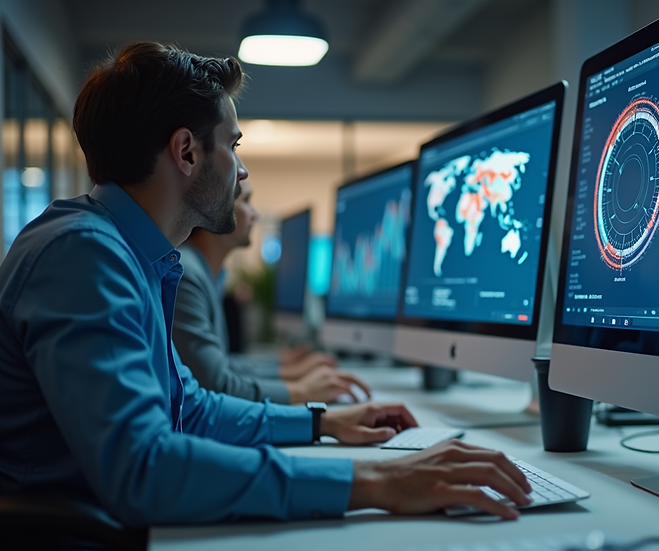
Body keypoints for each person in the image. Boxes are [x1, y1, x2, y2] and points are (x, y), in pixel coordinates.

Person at [0, 42, 531, 526]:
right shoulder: (83, 255)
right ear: (186, 152)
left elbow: (191, 409)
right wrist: (378, 480)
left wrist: (323, 424)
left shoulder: (129, 254)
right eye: (233, 144)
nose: (244, 172)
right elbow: (144, 468)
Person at [174, 177, 371, 404]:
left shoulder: (203, 273)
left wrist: (285, 368)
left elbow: (221, 365)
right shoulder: (186, 274)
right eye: (247, 201)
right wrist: (302, 391)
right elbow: (216, 383)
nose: (256, 214)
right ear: (213, 208)